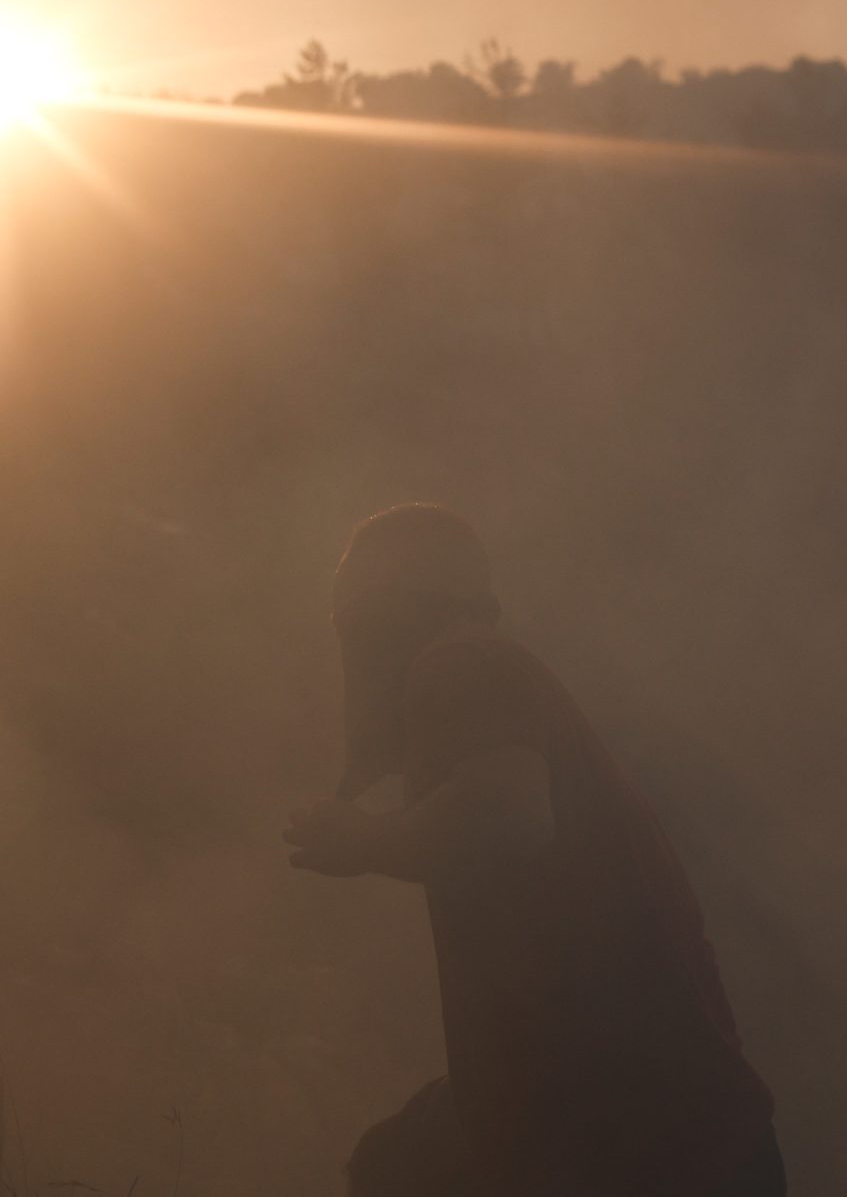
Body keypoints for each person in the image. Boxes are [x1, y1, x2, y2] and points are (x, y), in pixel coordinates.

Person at [285, 504, 782, 1197]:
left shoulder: (458, 660)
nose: (349, 659)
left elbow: (508, 816)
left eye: (349, 628)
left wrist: (362, 840)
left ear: (387, 616)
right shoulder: (498, 685)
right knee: (396, 1163)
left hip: (646, 1155)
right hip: (684, 1137)